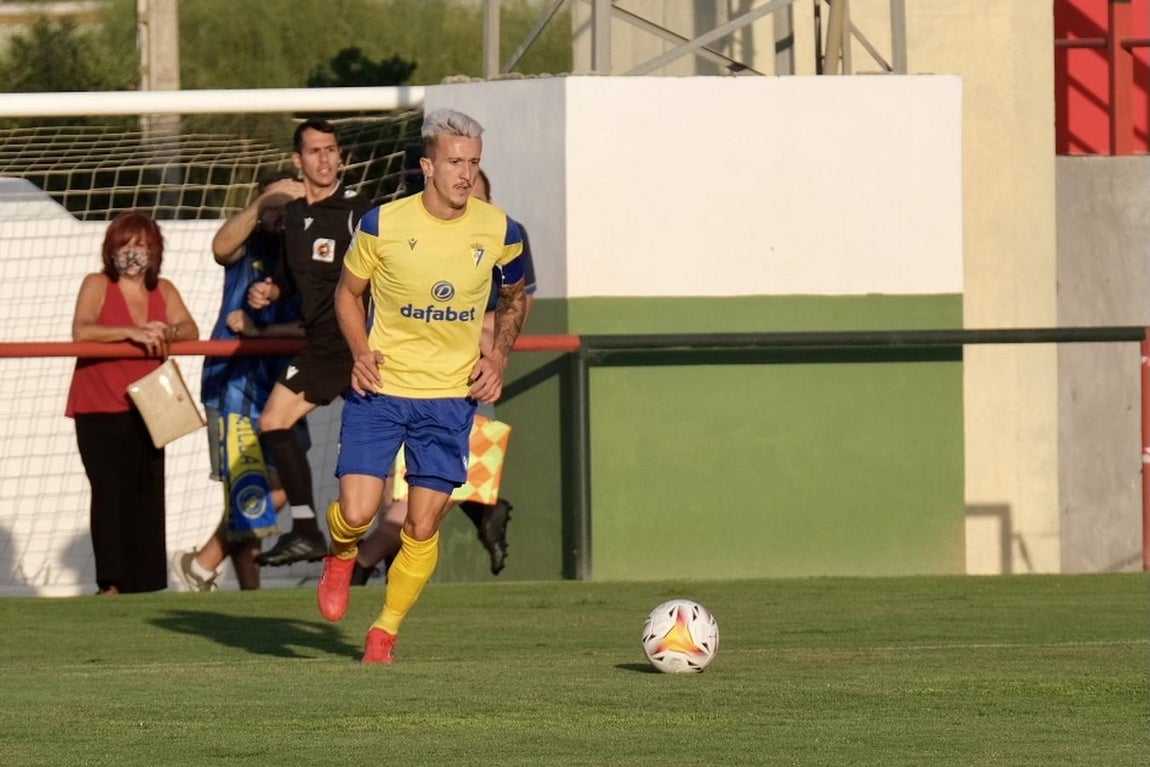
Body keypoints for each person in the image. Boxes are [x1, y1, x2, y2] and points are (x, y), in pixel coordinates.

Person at [319, 108, 529, 664]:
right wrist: (360, 352)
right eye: (456, 162)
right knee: (360, 514)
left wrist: (499, 357)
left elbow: (516, 297)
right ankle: (341, 552)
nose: (465, 174)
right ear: (427, 165)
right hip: (382, 390)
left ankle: (384, 633)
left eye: (474, 163)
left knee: (422, 521)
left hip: (449, 400)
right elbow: (347, 294)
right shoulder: (382, 225)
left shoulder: (501, 230)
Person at [348, 167, 537, 583]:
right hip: (400, 376)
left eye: (480, 192)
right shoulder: (407, 232)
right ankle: (479, 508)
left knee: (429, 493)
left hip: (464, 378)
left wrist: (483, 340)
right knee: (383, 490)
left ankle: (363, 565)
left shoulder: (505, 234)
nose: (470, 198)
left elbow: (518, 304)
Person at [246, 118, 372, 568]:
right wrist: (269, 292)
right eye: (315, 151)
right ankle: (306, 530)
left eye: (332, 149)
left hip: (347, 340)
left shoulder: (358, 210)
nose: (326, 158)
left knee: (275, 421)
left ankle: (305, 530)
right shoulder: (293, 217)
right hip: (323, 340)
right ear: (298, 161)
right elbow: (290, 281)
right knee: (277, 423)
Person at [174, 170, 308, 592]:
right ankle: (249, 593)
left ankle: (203, 563)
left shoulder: (305, 252)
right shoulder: (247, 240)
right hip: (232, 383)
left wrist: (263, 331)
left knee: (283, 484)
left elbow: (312, 325)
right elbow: (220, 246)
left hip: (281, 387)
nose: (279, 212)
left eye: (288, 205)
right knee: (245, 488)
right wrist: (262, 203)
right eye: (274, 204)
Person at [65, 210, 200, 595]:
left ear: (154, 249)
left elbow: (190, 329)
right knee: (108, 491)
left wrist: (167, 331)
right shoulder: (97, 283)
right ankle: (111, 582)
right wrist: (132, 333)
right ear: (110, 249)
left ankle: (147, 582)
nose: (132, 252)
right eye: (124, 244)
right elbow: (82, 329)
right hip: (99, 404)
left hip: (151, 406)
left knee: (146, 489)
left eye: (140, 244)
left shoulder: (165, 290)